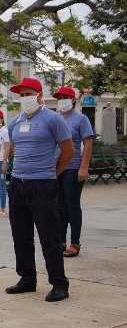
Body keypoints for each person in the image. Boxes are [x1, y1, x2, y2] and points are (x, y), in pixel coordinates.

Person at [6, 77, 74, 302]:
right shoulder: (15, 122)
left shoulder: (53, 119)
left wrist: (53, 173)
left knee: (49, 236)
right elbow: (15, 148)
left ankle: (59, 283)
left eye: (28, 94)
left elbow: (68, 150)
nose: (24, 98)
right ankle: (27, 278)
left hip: (42, 185)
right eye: (21, 94)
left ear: (39, 95)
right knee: (21, 235)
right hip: (18, 184)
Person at [53, 86, 93, 258]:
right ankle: (61, 240)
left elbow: (88, 143)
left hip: (73, 167)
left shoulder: (80, 119)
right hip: (57, 168)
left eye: (65, 97)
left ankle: (75, 242)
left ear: (73, 100)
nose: (62, 100)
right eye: (59, 97)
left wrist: (83, 167)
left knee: (72, 205)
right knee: (59, 206)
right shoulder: (54, 118)